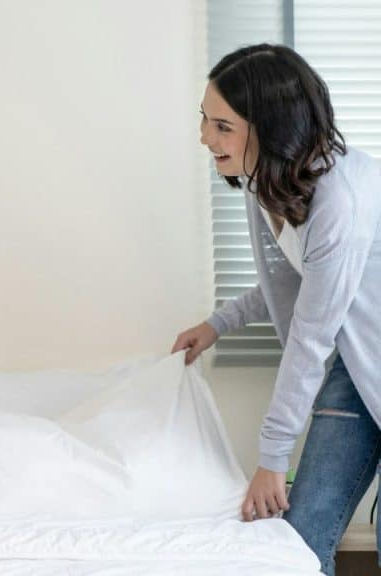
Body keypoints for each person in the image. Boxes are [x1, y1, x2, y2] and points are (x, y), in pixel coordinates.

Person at [172, 44, 381, 576]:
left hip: (362, 354)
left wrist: (272, 459)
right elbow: (292, 279)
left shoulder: (340, 201)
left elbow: (311, 334)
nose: (205, 138)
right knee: (300, 540)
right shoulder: (270, 179)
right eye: (205, 119)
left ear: (269, 126)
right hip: (358, 369)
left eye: (221, 126)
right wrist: (217, 324)